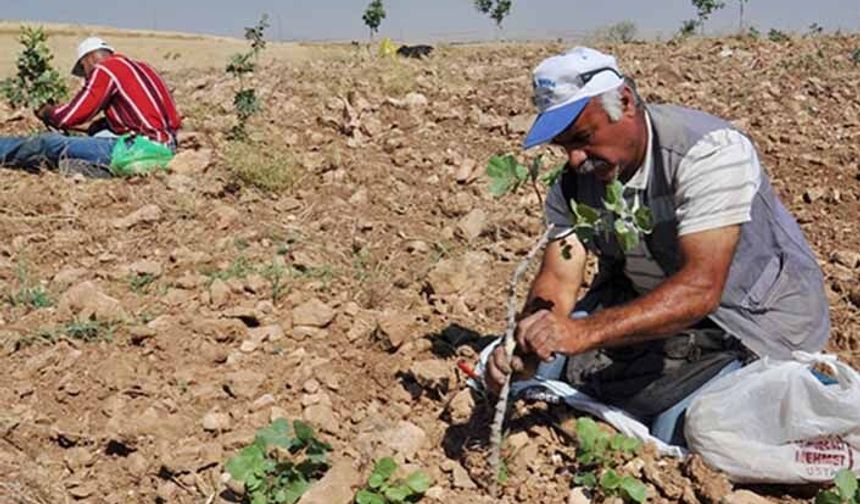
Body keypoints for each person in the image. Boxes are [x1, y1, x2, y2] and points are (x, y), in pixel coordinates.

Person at [482, 47, 830, 446]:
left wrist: (582, 332)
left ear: (625, 103)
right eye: (563, 146)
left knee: (682, 429)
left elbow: (701, 288)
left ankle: (806, 396)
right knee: (537, 373)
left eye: (582, 138)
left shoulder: (709, 152)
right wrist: (527, 341)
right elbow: (558, 280)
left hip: (750, 320)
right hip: (654, 305)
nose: (576, 159)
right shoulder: (574, 184)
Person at [0, 36, 181, 177]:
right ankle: (91, 169)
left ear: (89, 59)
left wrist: (48, 112)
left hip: (138, 150)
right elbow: (98, 125)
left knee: (49, 143)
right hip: (166, 148)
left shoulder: (105, 69)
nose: (86, 77)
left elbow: (69, 116)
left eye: (83, 70)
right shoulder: (143, 68)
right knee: (98, 132)